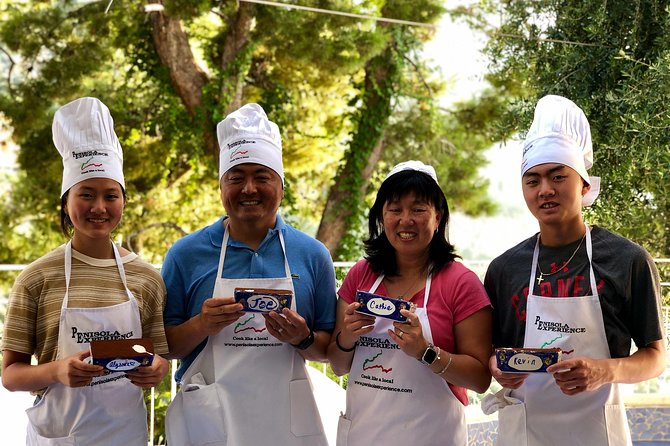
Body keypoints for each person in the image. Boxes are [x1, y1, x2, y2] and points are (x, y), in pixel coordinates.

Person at [482, 95, 666, 446]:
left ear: (584, 185)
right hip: (524, 432)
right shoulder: (504, 269)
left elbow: (656, 357)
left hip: (596, 430)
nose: (545, 189)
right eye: (532, 180)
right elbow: (490, 354)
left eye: (557, 176)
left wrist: (604, 371)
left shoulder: (627, 260)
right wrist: (496, 366)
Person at [162, 103, 337, 445]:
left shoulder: (313, 255)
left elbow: (328, 351)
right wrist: (201, 324)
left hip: (284, 422)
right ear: (221, 186)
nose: (249, 189)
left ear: (281, 186)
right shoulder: (185, 255)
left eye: (262, 176)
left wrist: (301, 337)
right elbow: (165, 347)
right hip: (210, 422)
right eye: (236, 177)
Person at [1, 97, 170, 445]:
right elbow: (10, 374)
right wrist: (57, 371)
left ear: (123, 201)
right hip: (60, 436)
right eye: (86, 194)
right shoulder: (37, 277)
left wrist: (157, 370)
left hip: (125, 435)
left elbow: (158, 356)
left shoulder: (146, 277)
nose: (99, 207)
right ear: (66, 201)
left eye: (111, 196)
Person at [328, 160, 493, 446]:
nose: (406, 220)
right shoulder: (361, 274)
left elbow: (480, 379)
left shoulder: (461, 283)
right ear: (382, 215)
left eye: (418, 209)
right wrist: (348, 335)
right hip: (364, 435)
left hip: (431, 437)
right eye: (395, 209)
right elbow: (338, 365)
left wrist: (425, 352)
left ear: (438, 217)